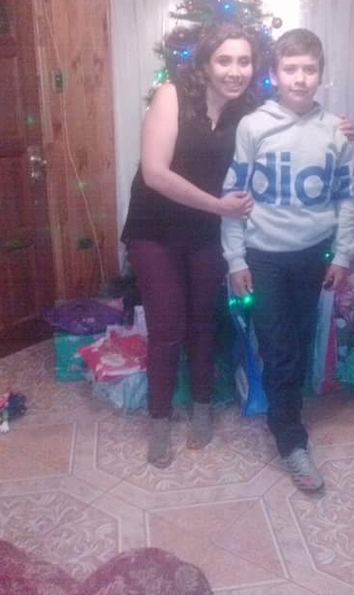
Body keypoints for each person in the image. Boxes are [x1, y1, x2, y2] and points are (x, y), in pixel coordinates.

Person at [221, 28, 354, 492]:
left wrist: (342, 253)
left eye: (309, 69)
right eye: (291, 69)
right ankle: (291, 439)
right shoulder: (253, 127)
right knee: (278, 345)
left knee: (298, 338)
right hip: (264, 257)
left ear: (321, 74)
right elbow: (235, 197)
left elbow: (346, 198)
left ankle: (286, 405)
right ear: (275, 74)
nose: (300, 78)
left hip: (312, 255)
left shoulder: (336, 131)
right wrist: (235, 259)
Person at [122, 23, 260, 468]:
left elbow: (293, 125)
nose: (235, 71)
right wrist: (218, 206)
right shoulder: (172, 95)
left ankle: (202, 408)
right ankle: (160, 420)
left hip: (206, 234)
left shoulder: (250, 112)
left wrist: (335, 127)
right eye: (225, 60)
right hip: (155, 231)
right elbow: (155, 173)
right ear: (205, 63)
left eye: (244, 61)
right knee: (167, 328)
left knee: (203, 323)